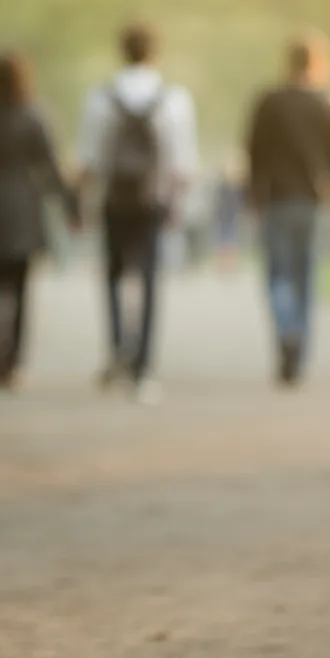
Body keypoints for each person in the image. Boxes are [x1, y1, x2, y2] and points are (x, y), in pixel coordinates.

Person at [76, 23, 198, 403]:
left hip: (115, 199)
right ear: (154, 53)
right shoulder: (174, 99)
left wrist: (82, 203)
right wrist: (178, 205)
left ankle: (117, 352)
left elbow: (89, 159)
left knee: (113, 276)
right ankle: (144, 369)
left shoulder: (102, 98)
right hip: (153, 200)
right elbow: (182, 163)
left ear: (122, 50)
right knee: (148, 279)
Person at [0, 51, 78, 387]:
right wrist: (72, 205)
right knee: (22, 290)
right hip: (25, 209)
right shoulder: (33, 117)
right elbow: (51, 167)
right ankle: (13, 364)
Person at [247, 30, 330, 387]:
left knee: (277, 274)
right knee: (306, 276)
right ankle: (300, 348)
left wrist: (252, 194)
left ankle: (286, 331)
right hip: (314, 199)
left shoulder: (269, 101)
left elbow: (254, 151)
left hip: (276, 197)